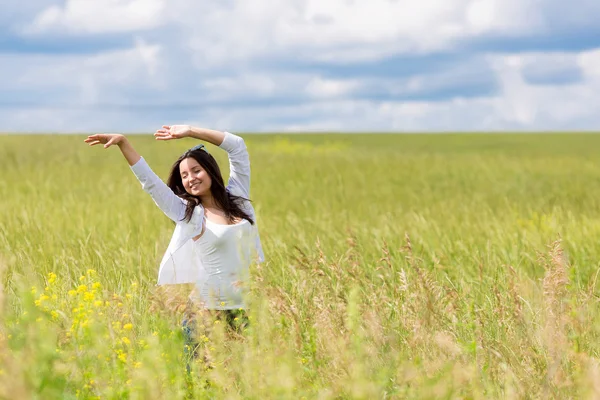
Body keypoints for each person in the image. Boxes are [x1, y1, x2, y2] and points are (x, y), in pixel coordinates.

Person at [84, 125, 264, 348]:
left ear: (210, 170)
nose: (191, 179)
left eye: (196, 170)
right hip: (205, 313)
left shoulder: (238, 197)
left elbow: (237, 147)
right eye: (184, 175)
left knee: (244, 380)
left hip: (245, 310)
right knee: (202, 381)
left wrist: (189, 131)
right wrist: (124, 143)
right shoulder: (189, 214)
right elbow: (151, 184)